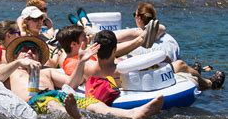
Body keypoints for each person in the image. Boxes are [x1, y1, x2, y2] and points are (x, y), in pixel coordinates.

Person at [0, 36, 164, 119]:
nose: (29, 52)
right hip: (35, 100)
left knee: (94, 103)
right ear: (16, 55)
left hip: (56, 94)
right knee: (52, 104)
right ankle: (74, 117)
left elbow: (71, 84)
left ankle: (133, 114)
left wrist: (81, 62)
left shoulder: (46, 72)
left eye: (33, 50)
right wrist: (19, 62)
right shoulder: (10, 71)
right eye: (24, 49)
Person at [85, 30, 224, 91]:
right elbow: (146, 66)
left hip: (124, 74)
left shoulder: (88, 67)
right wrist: (165, 60)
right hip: (141, 80)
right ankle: (209, 84)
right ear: (115, 48)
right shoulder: (120, 69)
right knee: (180, 64)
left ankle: (196, 70)